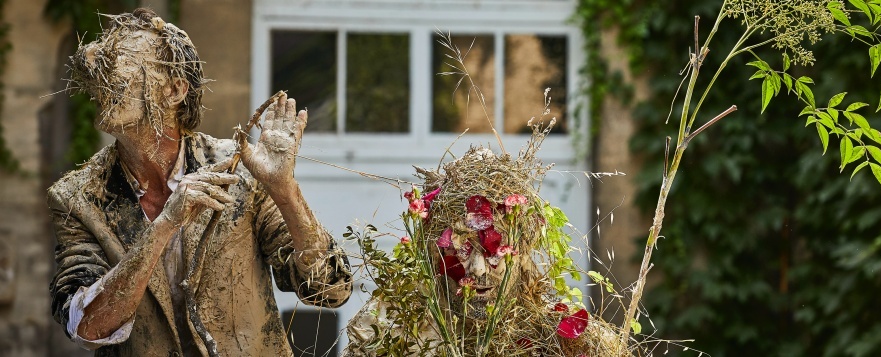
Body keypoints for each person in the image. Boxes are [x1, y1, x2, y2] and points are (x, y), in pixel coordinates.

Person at [47, 8, 351, 356]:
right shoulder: (76, 197)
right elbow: (86, 327)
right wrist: (163, 227)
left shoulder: (240, 170)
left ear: (175, 90)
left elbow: (330, 291)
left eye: (127, 58)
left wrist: (284, 190)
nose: (108, 71)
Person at [342, 141, 624, 356]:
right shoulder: (388, 333)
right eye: (462, 248)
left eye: (494, 250)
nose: (476, 269)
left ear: (523, 249)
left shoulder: (566, 342)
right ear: (433, 253)